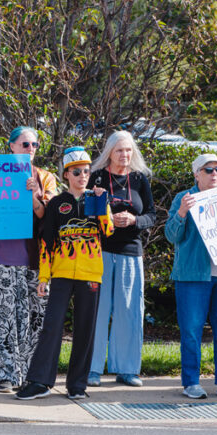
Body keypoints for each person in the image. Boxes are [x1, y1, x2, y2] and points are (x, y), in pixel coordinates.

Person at [16, 146, 113, 401]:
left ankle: (77, 385)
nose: (83, 176)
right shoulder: (57, 203)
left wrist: (103, 205)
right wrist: (43, 277)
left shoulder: (97, 199)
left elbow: (108, 231)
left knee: (85, 329)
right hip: (61, 273)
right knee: (51, 326)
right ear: (66, 175)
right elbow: (47, 243)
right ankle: (40, 382)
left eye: (87, 171)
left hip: (90, 274)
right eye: (77, 172)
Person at [0, 127, 57, 393]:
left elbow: (48, 217)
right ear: (11, 146)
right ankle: (2, 375)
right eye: (25, 144)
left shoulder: (45, 177)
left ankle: (32, 374)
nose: (30, 149)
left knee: (32, 320)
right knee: (0, 319)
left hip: (33, 261)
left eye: (34, 145)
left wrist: (33, 195)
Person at [167, 154, 217, 399]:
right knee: (191, 331)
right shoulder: (183, 198)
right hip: (192, 277)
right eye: (208, 170)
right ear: (196, 174)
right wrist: (182, 212)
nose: (214, 174)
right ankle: (191, 382)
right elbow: (172, 235)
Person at [87, 131, 155, 388]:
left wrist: (134, 220)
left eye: (128, 150)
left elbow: (151, 216)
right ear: (109, 152)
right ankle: (92, 369)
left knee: (129, 312)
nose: (125, 155)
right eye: (119, 150)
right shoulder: (96, 177)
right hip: (100, 251)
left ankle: (127, 370)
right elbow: (86, 214)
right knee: (98, 311)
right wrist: (106, 217)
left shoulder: (139, 179)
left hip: (131, 252)